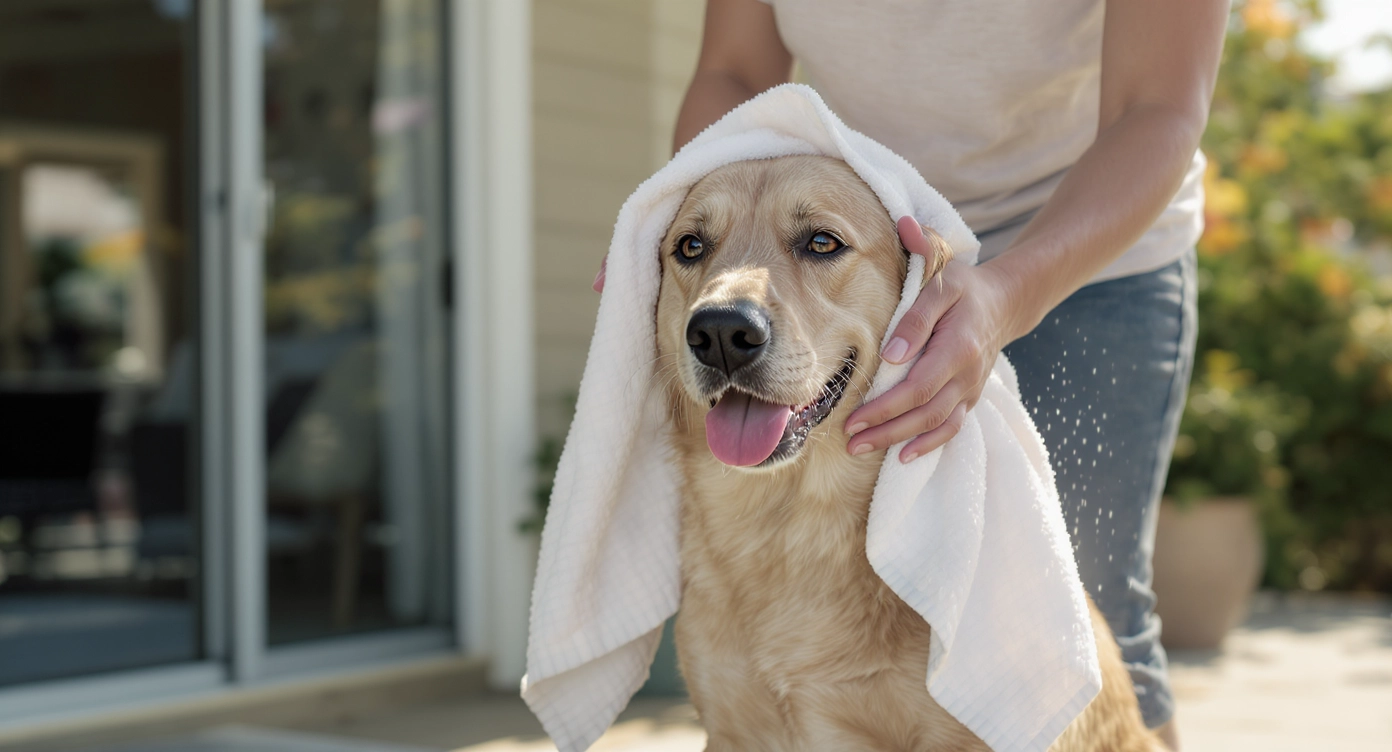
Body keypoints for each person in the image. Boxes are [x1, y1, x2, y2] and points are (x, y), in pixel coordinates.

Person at [595, 1, 1227, 748]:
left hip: (1089, 244)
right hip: (863, 219)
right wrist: (690, 221)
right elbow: (733, 70)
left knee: (1077, 605)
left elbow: (1154, 108)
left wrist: (1001, 295)